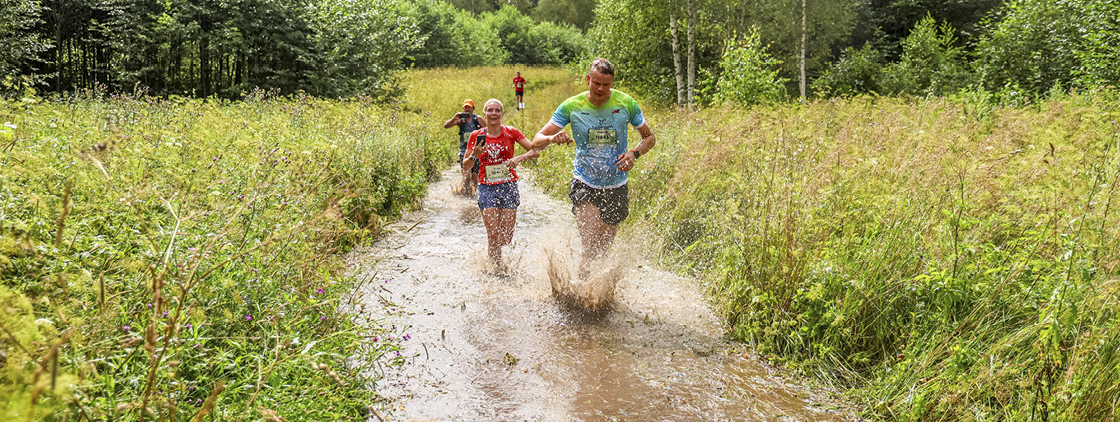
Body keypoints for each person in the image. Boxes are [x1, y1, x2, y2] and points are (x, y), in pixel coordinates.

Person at [531, 58, 655, 277]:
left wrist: (634, 153)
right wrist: (551, 139)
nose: (600, 89)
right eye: (596, 83)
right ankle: (581, 298)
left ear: (612, 82)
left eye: (606, 84)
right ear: (588, 79)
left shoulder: (625, 103)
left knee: (602, 252)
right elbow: (536, 141)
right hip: (585, 183)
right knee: (589, 249)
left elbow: (649, 138)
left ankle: (597, 298)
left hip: (617, 185)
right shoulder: (572, 105)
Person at [463, 98, 539, 266]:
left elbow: (535, 152)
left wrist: (518, 158)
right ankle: (494, 269)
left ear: (502, 114)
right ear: (484, 113)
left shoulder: (511, 132)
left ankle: (499, 262)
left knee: (506, 237)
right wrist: (475, 153)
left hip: (508, 185)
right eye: (490, 110)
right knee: (493, 233)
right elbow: (466, 165)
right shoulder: (477, 135)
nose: (494, 113)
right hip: (486, 187)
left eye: (497, 110)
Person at [444, 99, 483, 195]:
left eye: (469, 107)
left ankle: (477, 196)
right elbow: (446, 126)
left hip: (476, 151)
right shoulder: (460, 120)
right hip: (463, 151)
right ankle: (466, 196)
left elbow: (488, 130)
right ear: (463, 109)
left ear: (473, 108)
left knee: (475, 177)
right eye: (465, 107)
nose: (467, 109)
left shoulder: (478, 119)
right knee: (466, 176)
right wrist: (454, 118)